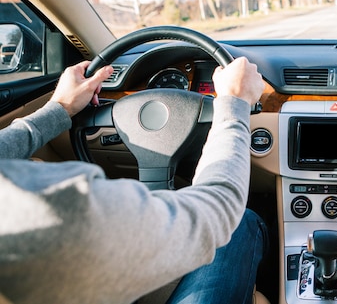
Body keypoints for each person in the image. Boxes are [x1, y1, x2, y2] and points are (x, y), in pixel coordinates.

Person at [0, 58, 268, 304]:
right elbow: (216, 213)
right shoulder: (41, 211)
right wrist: (234, 104)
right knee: (239, 224)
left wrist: (60, 108)